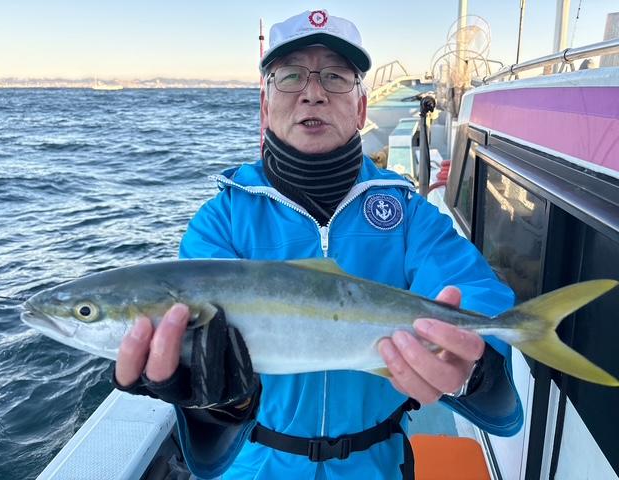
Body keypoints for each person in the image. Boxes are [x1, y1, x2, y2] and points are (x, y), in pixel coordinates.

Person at [114, 9, 523, 480]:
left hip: (378, 465)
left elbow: (474, 293)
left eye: (335, 76)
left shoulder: (409, 215)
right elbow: (205, 350)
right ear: (265, 106)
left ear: (361, 108)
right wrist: (221, 402)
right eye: (290, 76)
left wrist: (472, 367)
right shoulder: (221, 220)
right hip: (256, 467)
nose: (313, 92)